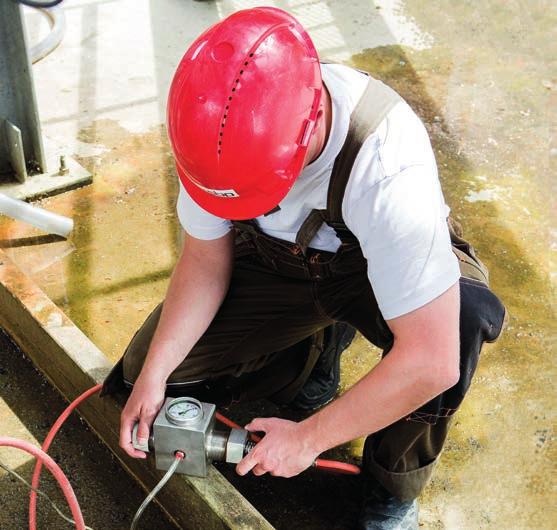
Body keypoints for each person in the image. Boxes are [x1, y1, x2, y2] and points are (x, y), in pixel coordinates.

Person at [102, 7, 506, 529]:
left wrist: (309, 440)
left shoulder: (387, 167)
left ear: (312, 122)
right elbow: (204, 262)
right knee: (145, 379)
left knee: (459, 322)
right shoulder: (211, 135)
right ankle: (313, 362)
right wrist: (155, 375)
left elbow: (431, 361)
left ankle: (389, 488)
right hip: (275, 261)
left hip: (364, 269)